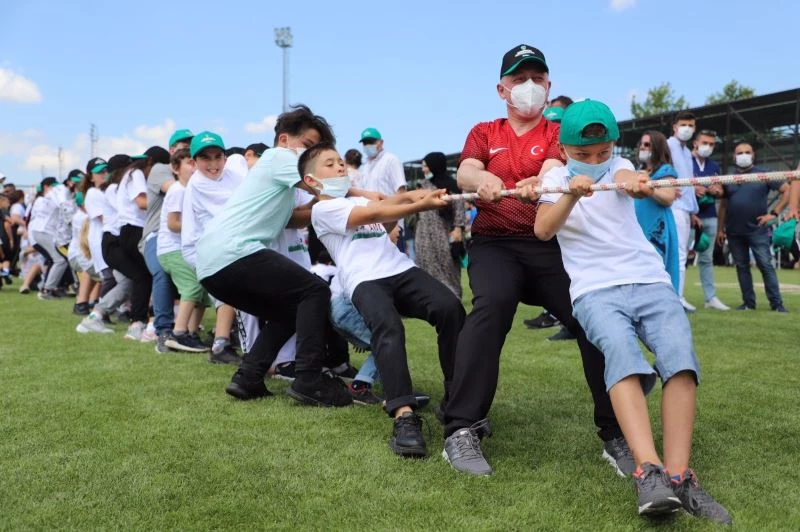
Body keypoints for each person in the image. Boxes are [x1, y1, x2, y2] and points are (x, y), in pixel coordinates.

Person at [534, 99, 731, 524]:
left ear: (612, 146)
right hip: (594, 291)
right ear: (565, 147)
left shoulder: (620, 165)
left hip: (649, 280)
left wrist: (634, 182)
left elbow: (629, 177)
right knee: (622, 356)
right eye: (583, 155)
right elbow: (544, 229)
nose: (594, 161)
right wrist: (571, 191)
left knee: (680, 358)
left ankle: (680, 476)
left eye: (602, 152)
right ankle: (649, 472)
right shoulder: (552, 176)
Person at [442, 45, 626, 477]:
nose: (528, 87)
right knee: (491, 308)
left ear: (548, 85)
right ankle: (461, 429)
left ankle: (617, 433)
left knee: (591, 319)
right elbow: (466, 170)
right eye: (518, 79)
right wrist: (483, 177)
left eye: (537, 78)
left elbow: (557, 168)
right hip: (495, 244)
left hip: (550, 244)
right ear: (501, 88)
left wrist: (541, 179)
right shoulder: (485, 131)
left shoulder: (560, 132)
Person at [303, 142, 465, 457]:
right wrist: (416, 203)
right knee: (388, 327)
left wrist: (409, 197)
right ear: (312, 181)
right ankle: (404, 418)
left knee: (450, 309)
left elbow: (383, 221)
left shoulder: (355, 201)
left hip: (400, 269)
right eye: (330, 164)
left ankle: (455, 398)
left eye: (340, 162)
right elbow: (375, 211)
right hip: (364, 279)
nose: (339, 167)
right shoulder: (323, 209)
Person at [195, 105, 352, 407]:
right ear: (283, 140)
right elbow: (331, 189)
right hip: (233, 252)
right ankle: (309, 379)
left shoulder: (279, 178)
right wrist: (383, 201)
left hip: (213, 265)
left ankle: (248, 377)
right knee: (315, 290)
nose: (312, 158)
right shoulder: (280, 158)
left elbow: (297, 217)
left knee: (289, 310)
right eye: (307, 147)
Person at [180, 132, 244, 365]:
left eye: (218, 157)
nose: (213, 164)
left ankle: (225, 342)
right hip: (205, 251)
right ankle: (220, 344)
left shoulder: (234, 176)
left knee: (235, 298)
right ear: (194, 162)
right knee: (230, 294)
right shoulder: (197, 186)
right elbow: (231, 213)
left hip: (232, 246)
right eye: (205, 158)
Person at [716, 142, 789, 312]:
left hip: (757, 230)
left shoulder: (764, 174)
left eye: (747, 152)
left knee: (765, 265)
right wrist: (720, 229)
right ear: (734, 157)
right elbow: (723, 206)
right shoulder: (729, 178)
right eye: (740, 152)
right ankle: (748, 303)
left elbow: (786, 189)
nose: (743, 155)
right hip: (734, 231)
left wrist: (774, 213)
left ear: (753, 155)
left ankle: (777, 305)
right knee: (742, 267)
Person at [139, 130, 193, 352]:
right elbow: (177, 187)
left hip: (184, 237)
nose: (188, 149)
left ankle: (188, 330)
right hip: (157, 235)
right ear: (172, 150)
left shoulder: (195, 169)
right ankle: (163, 330)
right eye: (183, 145)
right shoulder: (161, 169)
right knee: (162, 272)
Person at [115, 147, 170, 340]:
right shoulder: (137, 173)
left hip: (127, 230)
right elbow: (141, 202)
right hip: (135, 229)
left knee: (142, 276)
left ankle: (139, 321)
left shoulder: (129, 174)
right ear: (152, 163)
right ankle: (142, 322)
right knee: (150, 275)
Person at [157, 148, 208, 353]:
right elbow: (172, 223)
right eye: (188, 162)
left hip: (184, 248)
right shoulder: (178, 190)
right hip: (172, 249)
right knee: (192, 286)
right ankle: (178, 333)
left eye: (195, 162)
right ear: (176, 169)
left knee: (204, 288)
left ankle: (191, 332)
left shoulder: (191, 190)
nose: (193, 167)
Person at [413, 152, 465, 298]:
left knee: (448, 266)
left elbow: (459, 208)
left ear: (435, 166)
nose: (423, 169)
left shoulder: (451, 186)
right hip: (423, 234)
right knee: (426, 264)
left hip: (444, 232)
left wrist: (458, 228)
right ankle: (433, 298)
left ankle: (454, 295)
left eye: (426, 166)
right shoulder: (421, 186)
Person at [634, 131, 680, 291]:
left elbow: (668, 198)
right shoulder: (638, 171)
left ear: (657, 147)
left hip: (657, 229)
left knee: (656, 272)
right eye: (641, 144)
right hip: (638, 229)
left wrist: (650, 189)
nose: (643, 147)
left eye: (647, 144)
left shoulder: (666, 170)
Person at [691, 130, 729, 310]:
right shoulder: (685, 161)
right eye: (705, 142)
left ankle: (710, 298)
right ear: (695, 143)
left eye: (712, 144)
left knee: (707, 259)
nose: (708, 147)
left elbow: (721, 191)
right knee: (681, 257)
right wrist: (693, 190)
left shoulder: (713, 166)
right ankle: (676, 296)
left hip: (710, 216)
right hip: (689, 216)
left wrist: (715, 191)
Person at [666, 111, 700, 312]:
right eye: (684, 124)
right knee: (678, 254)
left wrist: (693, 210)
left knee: (682, 254)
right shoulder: (668, 145)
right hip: (674, 207)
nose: (687, 128)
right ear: (675, 126)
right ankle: (675, 298)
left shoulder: (687, 153)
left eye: (691, 125)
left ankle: (678, 296)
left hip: (686, 210)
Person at [358, 128, 408, 250]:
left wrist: (394, 223)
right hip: (372, 227)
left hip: (391, 225)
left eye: (371, 142)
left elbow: (401, 192)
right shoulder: (365, 167)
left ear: (381, 142)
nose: (367, 145)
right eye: (365, 143)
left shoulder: (391, 160)